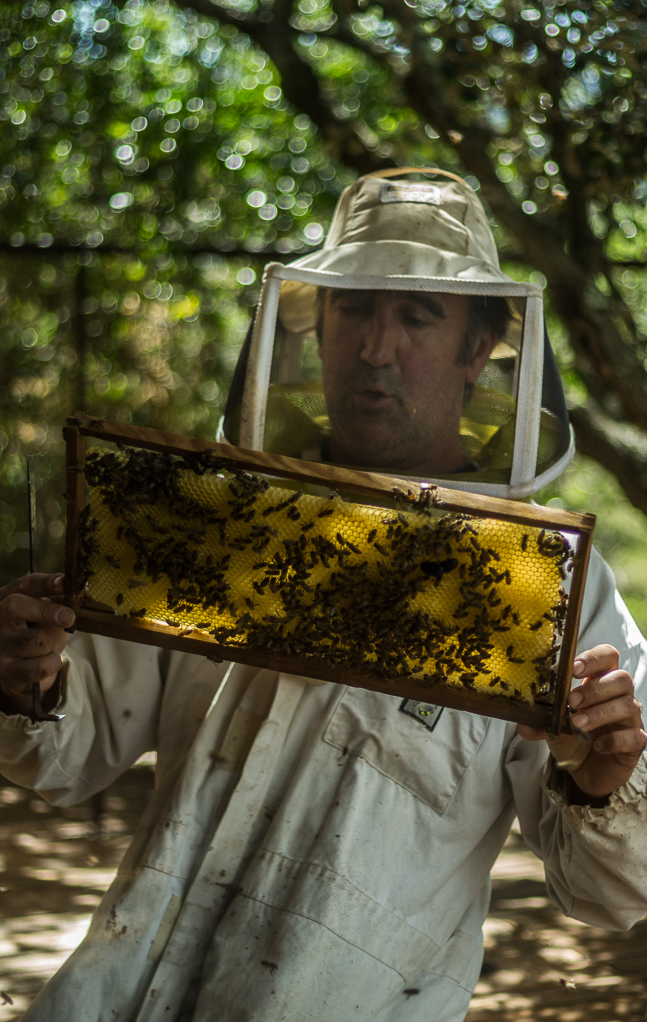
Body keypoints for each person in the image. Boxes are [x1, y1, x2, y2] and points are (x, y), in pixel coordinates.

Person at [0, 170, 646, 1022]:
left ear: (478, 349)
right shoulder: (216, 520)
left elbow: (609, 889)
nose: (377, 347)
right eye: (355, 310)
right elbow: (65, 751)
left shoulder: (543, 583)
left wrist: (602, 784)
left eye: (416, 316)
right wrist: (28, 673)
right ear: (315, 321)